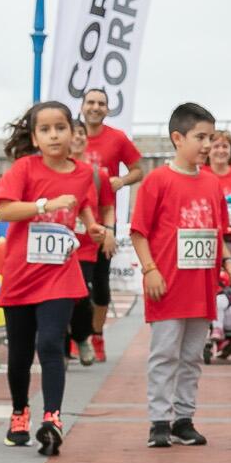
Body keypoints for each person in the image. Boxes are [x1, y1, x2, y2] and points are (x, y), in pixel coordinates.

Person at [0, 101, 100, 457]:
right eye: (45, 130)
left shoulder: (84, 173)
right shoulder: (24, 168)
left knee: (52, 343)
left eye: (60, 128)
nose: (54, 135)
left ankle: (53, 419)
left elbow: (82, 202)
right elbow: (5, 208)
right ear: (35, 138)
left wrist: (94, 226)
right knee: (20, 353)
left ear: (74, 133)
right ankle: (20, 411)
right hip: (21, 274)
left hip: (59, 274)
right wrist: (44, 206)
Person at [130, 102, 227, 449]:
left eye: (211, 137)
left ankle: (183, 419)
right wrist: (150, 269)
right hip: (167, 285)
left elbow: (219, 232)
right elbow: (139, 231)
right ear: (177, 138)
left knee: (191, 357)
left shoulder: (213, 184)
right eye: (200, 137)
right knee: (164, 354)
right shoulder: (157, 181)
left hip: (201, 288)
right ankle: (159, 420)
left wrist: (227, 261)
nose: (207, 145)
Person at [78, 87, 148, 363]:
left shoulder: (117, 139)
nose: (95, 107)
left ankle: (96, 335)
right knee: (75, 284)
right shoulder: (72, 137)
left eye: (101, 103)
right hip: (72, 223)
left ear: (107, 109)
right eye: (91, 102)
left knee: (101, 284)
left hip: (104, 221)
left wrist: (121, 181)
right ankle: (77, 336)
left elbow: (138, 169)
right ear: (82, 106)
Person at [65, 127, 118, 365]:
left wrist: (109, 232)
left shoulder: (97, 175)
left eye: (81, 134)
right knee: (63, 295)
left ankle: (86, 336)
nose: (77, 137)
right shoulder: (54, 172)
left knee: (85, 293)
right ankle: (70, 338)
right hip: (60, 245)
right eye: (73, 133)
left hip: (88, 245)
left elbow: (107, 207)